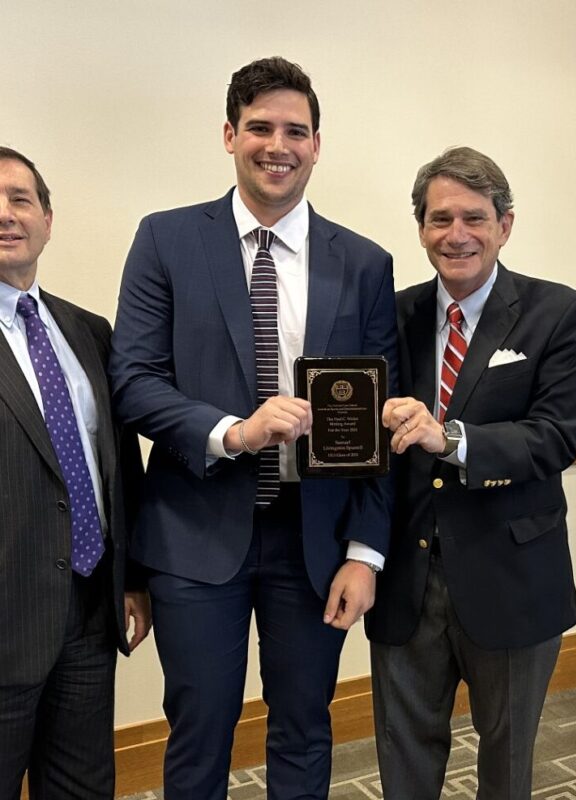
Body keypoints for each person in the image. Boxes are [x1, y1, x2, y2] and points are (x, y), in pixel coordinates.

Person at [109, 57, 396, 799]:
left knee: (305, 723)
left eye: (295, 131)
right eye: (261, 128)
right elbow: (133, 382)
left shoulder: (363, 263)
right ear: (230, 135)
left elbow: (377, 425)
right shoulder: (167, 240)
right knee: (199, 727)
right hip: (195, 531)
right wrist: (232, 432)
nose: (279, 145)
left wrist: (365, 552)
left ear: (317, 143)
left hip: (316, 539)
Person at [367, 146, 576, 800]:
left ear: (505, 224)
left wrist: (452, 438)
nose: (456, 235)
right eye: (440, 220)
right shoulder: (391, 314)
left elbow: (555, 438)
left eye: (474, 217)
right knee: (404, 757)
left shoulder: (556, 313)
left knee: (507, 761)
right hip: (407, 580)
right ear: (421, 229)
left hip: (513, 577)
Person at [0, 147, 150, 800]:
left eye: (19, 199)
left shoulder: (88, 331)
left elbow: (122, 464)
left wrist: (134, 578)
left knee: (82, 786)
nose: (5, 215)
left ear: (48, 219)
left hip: (89, 614)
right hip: (5, 620)